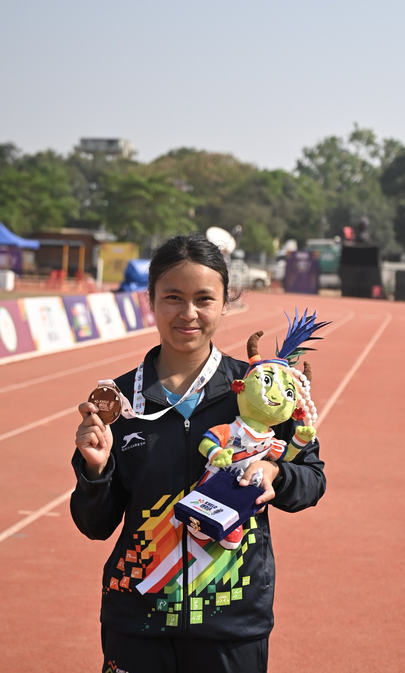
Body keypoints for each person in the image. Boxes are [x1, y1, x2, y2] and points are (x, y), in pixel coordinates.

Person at [70, 232, 326, 673]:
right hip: (139, 619)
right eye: (173, 297)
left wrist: (276, 474)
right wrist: (96, 472)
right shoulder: (120, 404)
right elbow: (95, 524)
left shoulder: (261, 392)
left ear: (226, 304)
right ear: (150, 300)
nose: (188, 313)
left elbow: (313, 479)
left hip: (231, 620)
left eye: (204, 299)